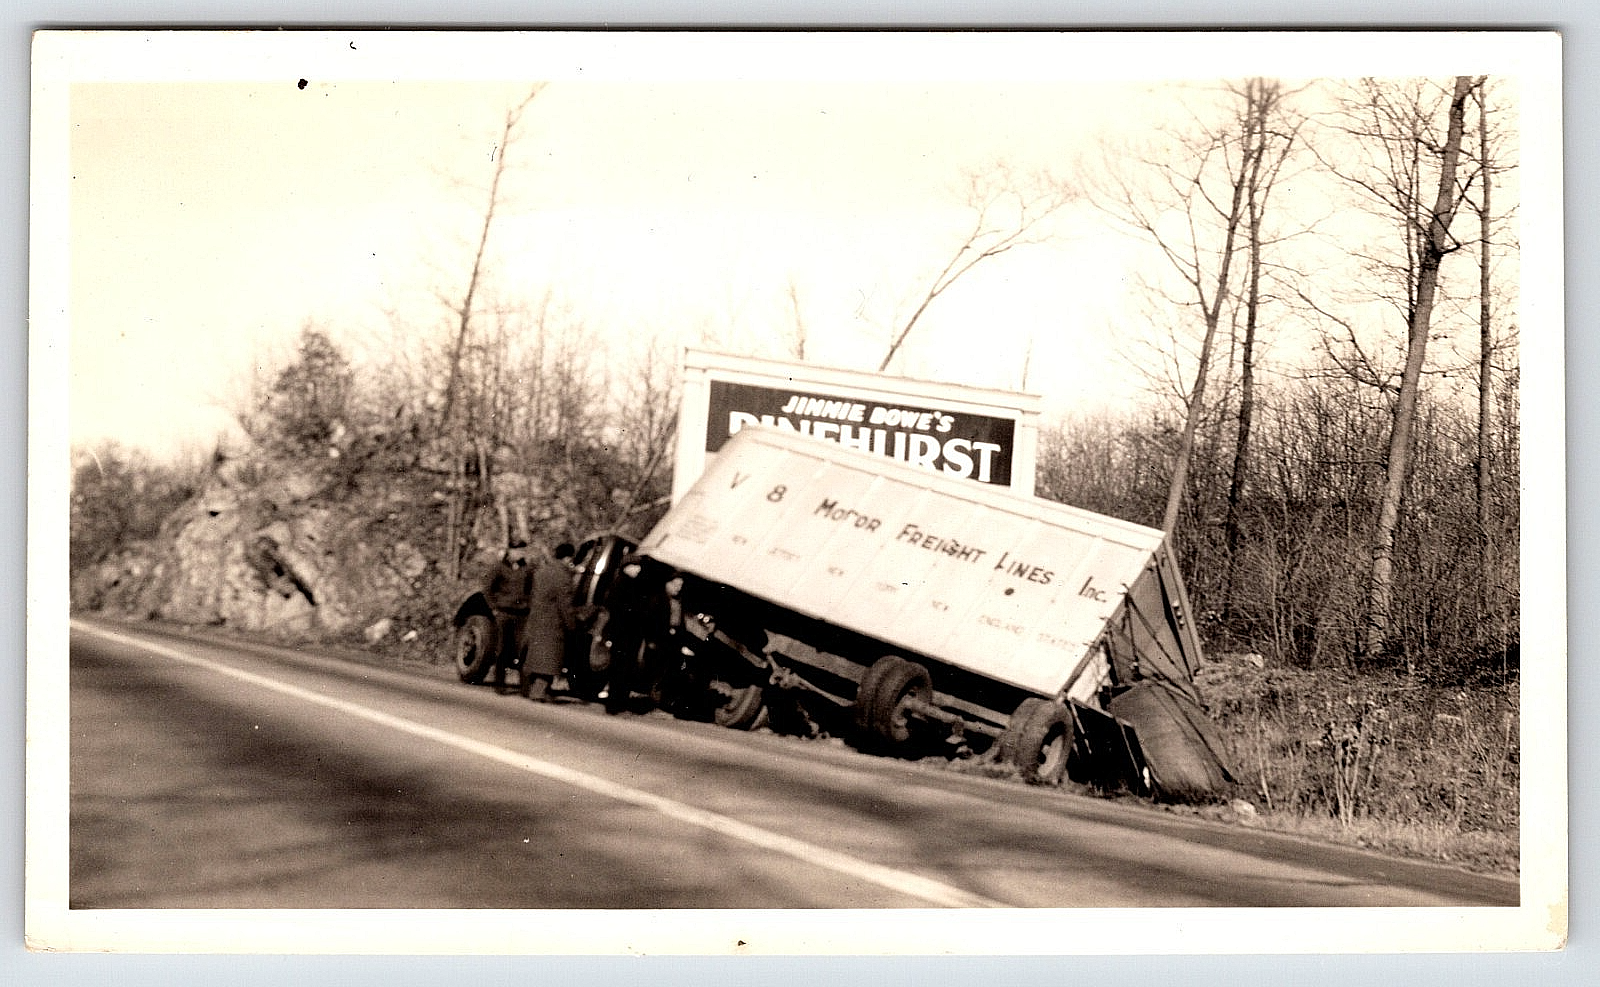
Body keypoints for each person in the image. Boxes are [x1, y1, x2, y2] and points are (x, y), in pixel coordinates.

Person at [518, 541, 579, 702]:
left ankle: (529, 689)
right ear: (567, 558)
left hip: (536, 620)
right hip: (553, 623)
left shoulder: (541, 572)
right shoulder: (563, 577)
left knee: (535, 656)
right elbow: (565, 605)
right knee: (550, 658)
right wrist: (572, 625)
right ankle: (538, 692)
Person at [485, 540, 532, 696]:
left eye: (523, 551)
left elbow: (532, 589)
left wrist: (528, 604)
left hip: (522, 614)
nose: (520, 554)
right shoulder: (500, 567)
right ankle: (499, 684)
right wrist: (494, 607)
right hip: (504, 612)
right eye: (517, 551)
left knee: (523, 649)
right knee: (503, 648)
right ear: (510, 551)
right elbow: (487, 588)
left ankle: (524, 687)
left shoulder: (528, 569)